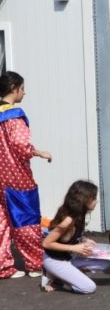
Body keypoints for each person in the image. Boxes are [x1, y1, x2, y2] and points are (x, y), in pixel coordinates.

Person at [0, 71, 52, 279]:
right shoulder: (14, 116)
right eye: (22, 88)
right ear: (14, 89)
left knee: (2, 222)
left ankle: (4, 266)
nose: (24, 93)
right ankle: (34, 263)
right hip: (17, 177)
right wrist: (39, 152)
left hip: (0, 178)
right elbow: (22, 146)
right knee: (27, 220)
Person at [41, 180, 110, 294]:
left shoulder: (80, 214)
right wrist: (74, 248)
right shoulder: (67, 221)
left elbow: (70, 238)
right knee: (89, 287)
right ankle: (57, 279)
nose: (96, 201)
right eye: (93, 198)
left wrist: (85, 240)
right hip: (54, 260)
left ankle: (65, 273)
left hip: (68, 258)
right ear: (83, 200)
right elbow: (46, 243)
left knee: (106, 262)